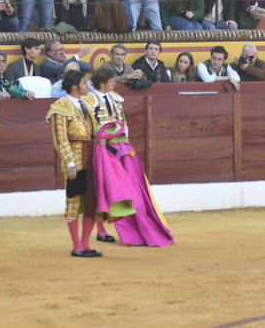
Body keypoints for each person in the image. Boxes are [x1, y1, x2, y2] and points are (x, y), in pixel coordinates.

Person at [82, 67, 174, 247]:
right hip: (99, 150)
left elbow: (123, 122)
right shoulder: (88, 101)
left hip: (119, 148)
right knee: (101, 189)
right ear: (102, 83)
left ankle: (125, 227)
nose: (115, 84)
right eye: (112, 81)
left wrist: (123, 140)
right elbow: (88, 126)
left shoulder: (116, 98)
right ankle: (101, 230)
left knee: (123, 188)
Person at [48, 69, 101, 258]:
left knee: (91, 201)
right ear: (74, 86)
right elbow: (60, 139)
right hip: (75, 158)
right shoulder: (60, 106)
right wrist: (69, 163)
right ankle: (77, 245)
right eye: (84, 82)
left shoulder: (87, 103)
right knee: (73, 201)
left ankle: (86, 244)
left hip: (91, 156)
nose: (88, 85)